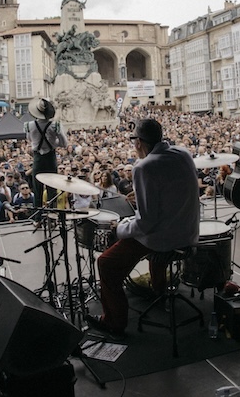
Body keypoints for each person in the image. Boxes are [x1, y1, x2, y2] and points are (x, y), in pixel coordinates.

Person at [86, 119, 200, 339]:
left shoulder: (143, 166)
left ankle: (114, 322)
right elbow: (171, 195)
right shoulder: (183, 154)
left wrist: (119, 229)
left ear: (138, 142)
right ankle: (158, 288)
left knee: (106, 263)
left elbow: (147, 223)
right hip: (188, 232)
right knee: (145, 240)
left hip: (166, 238)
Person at [25, 98, 68, 211]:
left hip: (38, 158)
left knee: (37, 189)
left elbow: (30, 139)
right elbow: (64, 143)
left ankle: (37, 217)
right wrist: (53, 142)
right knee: (52, 189)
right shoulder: (55, 125)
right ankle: (52, 214)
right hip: (50, 157)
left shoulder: (29, 125)